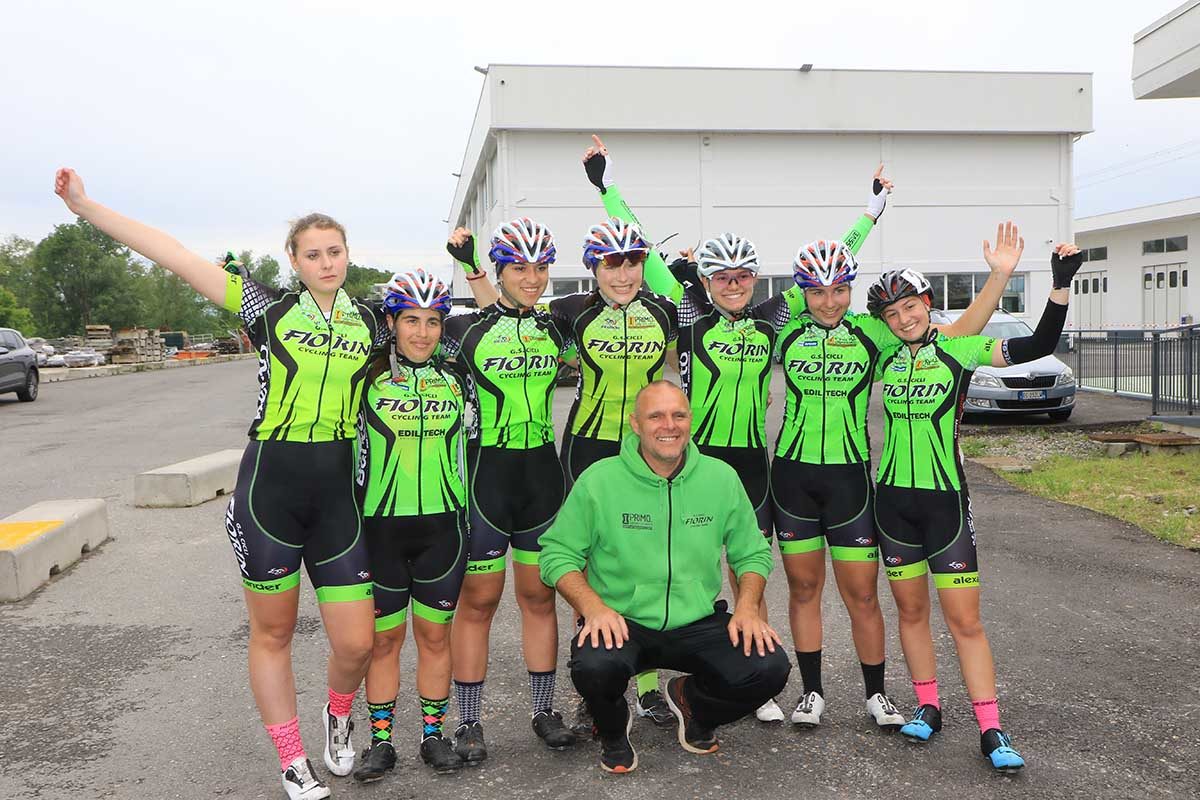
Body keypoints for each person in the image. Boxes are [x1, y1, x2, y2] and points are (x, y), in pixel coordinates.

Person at [54, 168, 386, 800]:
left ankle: (338, 715)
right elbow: (173, 254)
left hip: (340, 495)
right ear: (293, 260)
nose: (326, 262)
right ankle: (292, 760)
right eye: (312, 253)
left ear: (348, 255)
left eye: (335, 251)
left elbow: (447, 336)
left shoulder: (371, 321)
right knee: (274, 632)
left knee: (357, 640)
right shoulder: (269, 308)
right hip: (269, 493)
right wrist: (83, 205)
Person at [580, 135, 891, 722]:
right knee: (661, 564)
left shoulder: (776, 315)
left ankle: (756, 681)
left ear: (754, 279)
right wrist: (607, 187)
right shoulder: (689, 313)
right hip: (694, 458)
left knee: (747, 568)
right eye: (721, 276)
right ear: (706, 279)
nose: (732, 284)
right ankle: (647, 679)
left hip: (750, 461)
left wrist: (869, 214)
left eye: (742, 276)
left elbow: (828, 271)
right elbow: (640, 251)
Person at [773, 225, 1023, 732]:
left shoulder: (876, 332)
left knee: (863, 594)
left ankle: (878, 695)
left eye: (839, 289)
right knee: (803, 588)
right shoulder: (785, 328)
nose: (828, 301)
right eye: (816, 291)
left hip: (853, 480)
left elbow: (955, 336)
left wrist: (997, 279)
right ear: (802, 291)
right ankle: (811, 692)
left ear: (850, 288)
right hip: (792, 477)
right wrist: (864, 218)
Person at [865, 243, 1084, 773]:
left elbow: (1037, 345)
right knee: (911, 612)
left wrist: (1057, 285)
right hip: (892, 504)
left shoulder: (959, 351)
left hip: (945, 504)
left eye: (910, 306)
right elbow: (822, 303)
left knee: (965, 620)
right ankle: (928, 704)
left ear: (927, 302)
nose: (902, 318)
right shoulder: (883, 352)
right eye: (891, 314)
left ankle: (991, 726)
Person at [459, 209, 681, 729]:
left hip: (641, 452)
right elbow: (501, 321)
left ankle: (646, 685)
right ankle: (591, 690)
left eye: (632, 263)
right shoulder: (568, 313)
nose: (622, 274)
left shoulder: (664, 312)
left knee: (643, 566)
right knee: (581, 575)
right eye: (610, 264)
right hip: (581, 452)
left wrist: (609, 189)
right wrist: (473, 271)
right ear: (592, 268)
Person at [538, 381, 791, 774]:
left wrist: (747, 608)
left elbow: (752, 552)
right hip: (624, 622)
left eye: (678, 415)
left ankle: (693, 704)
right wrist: (593, 608)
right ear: (635, 424)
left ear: (690, 420)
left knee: (770, 667)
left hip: (698, 621)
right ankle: (613, 729)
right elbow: (557, 553)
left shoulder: (720, 478)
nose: (668, 425)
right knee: (593, 666)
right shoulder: (599, 480)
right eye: (655, 415)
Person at [441, 220, 577, 762]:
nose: (533, 278)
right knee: (478, 602)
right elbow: (398, 340)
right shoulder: (462, 330)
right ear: (498, 272)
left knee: (539, 597)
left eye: (541, 268)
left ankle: (544, 711)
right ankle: (468, 722)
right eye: (520, 268)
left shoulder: (558, 329)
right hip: (486, 478)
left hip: (542, 477)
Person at [351, 270, 470, 779]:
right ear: (392, 323)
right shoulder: (366, 379)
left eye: (432, 322)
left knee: (436, 638)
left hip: (443, 530)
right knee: (383, 641)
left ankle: (433, 736)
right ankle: (381, 742)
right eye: (410, 321)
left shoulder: (458, 380)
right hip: (379, 530)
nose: (422, 332)